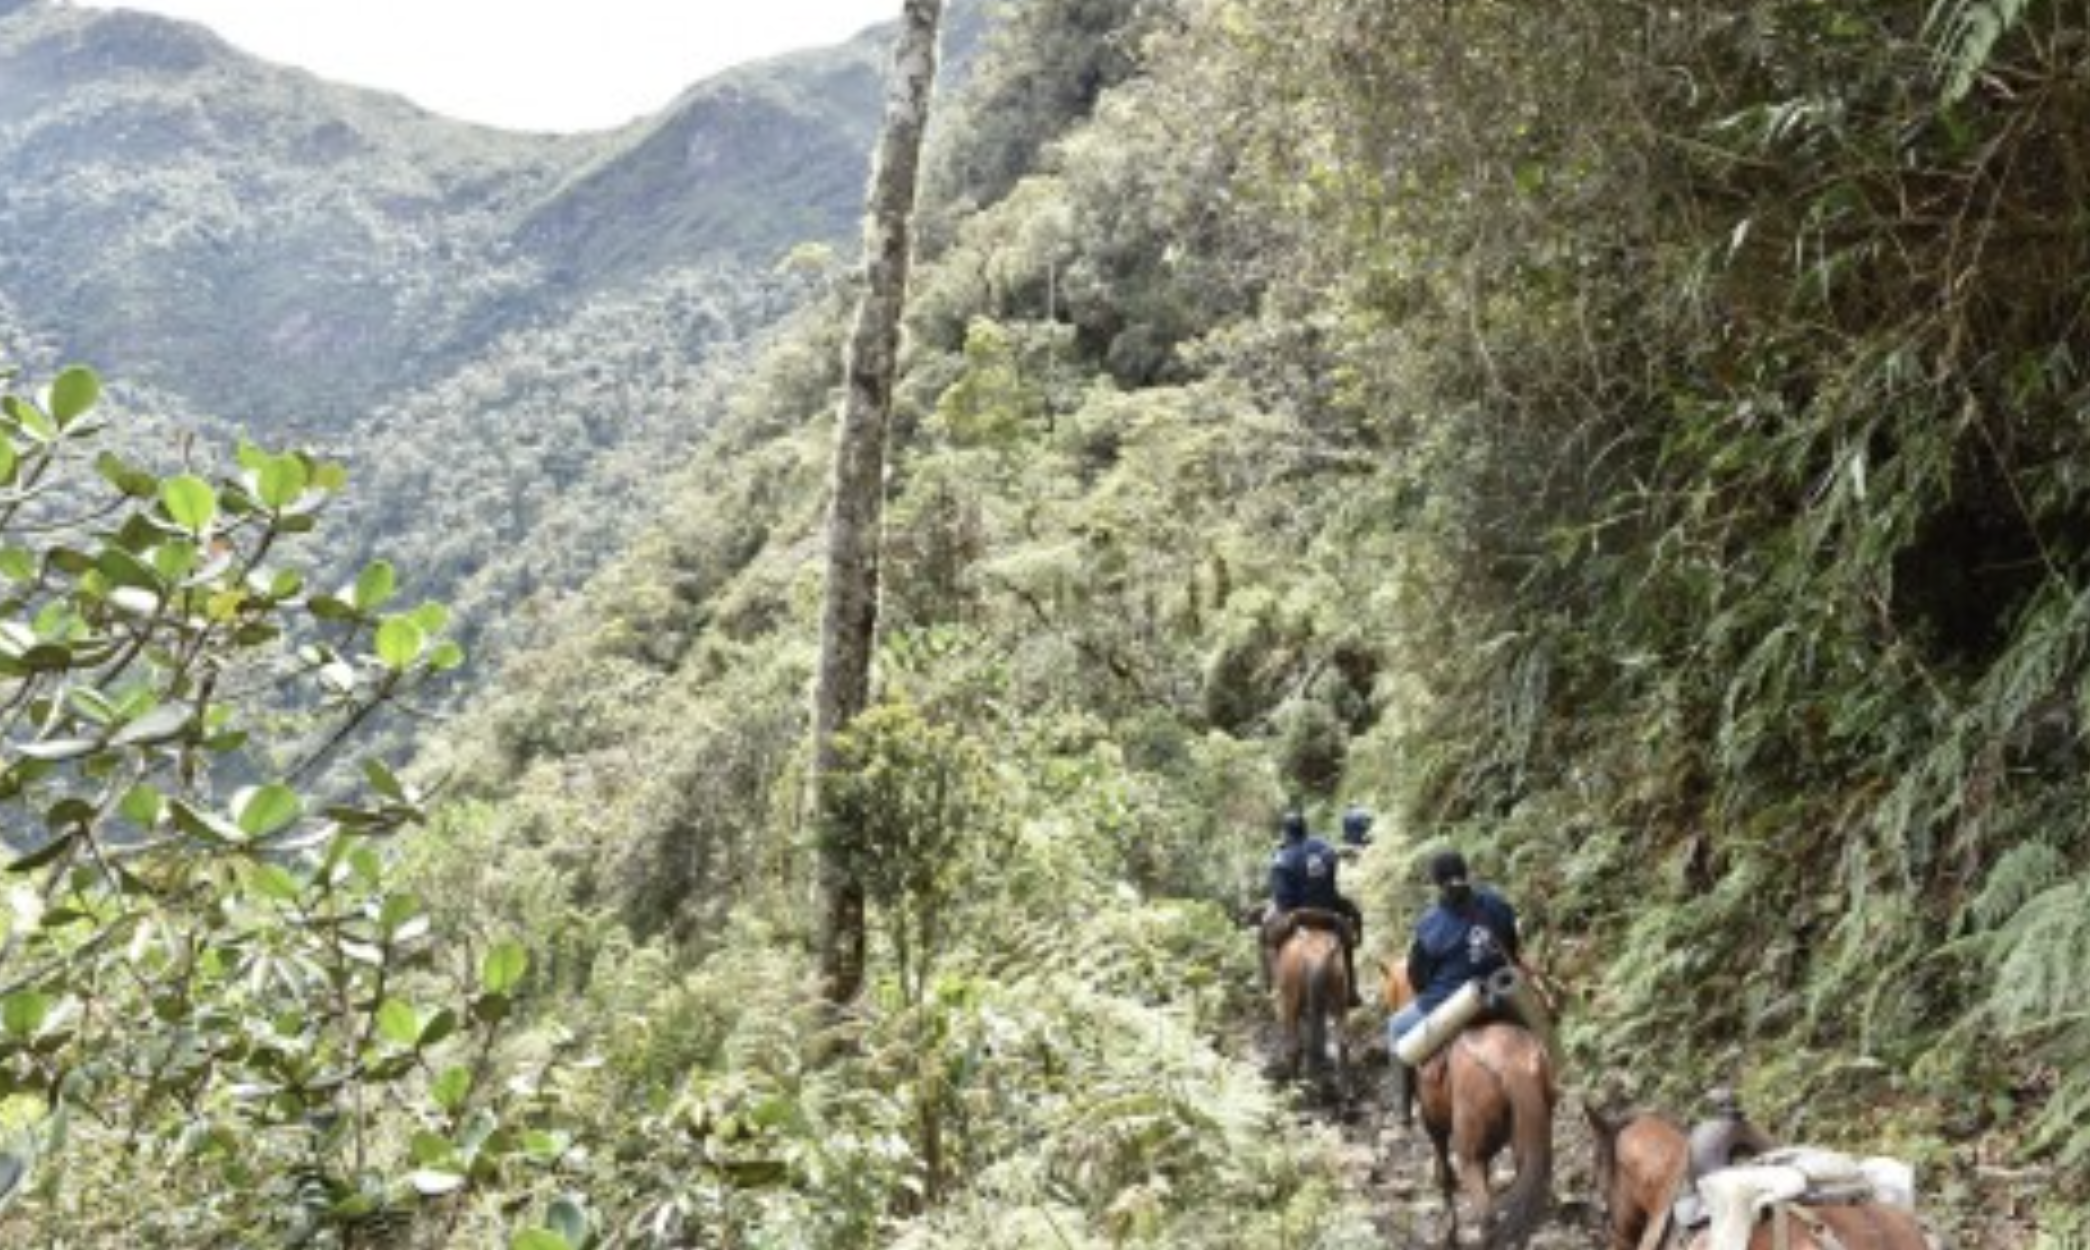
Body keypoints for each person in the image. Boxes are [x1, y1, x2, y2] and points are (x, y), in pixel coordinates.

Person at [1385, 849, 1520, 1125]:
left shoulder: (1430, 924)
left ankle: (1402, 1109)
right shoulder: (1497, 904)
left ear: (1435, 881)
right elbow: (1512, 946)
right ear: (1466, 871)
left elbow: (1417, 976)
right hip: (1501, 994)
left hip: (1453, 1002)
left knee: (1396, 1028)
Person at [1262, 810, 1364, 1008]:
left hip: (1297, 915)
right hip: (1328, 911)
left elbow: (1283, 900)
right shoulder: (1324, 847)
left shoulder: (1281, 859)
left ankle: (1274, 984)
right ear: (1305, 828)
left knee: (1266, 935)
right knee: (1349, 930)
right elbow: (1333, 871)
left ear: (1286, 833)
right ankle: (1351, 988)